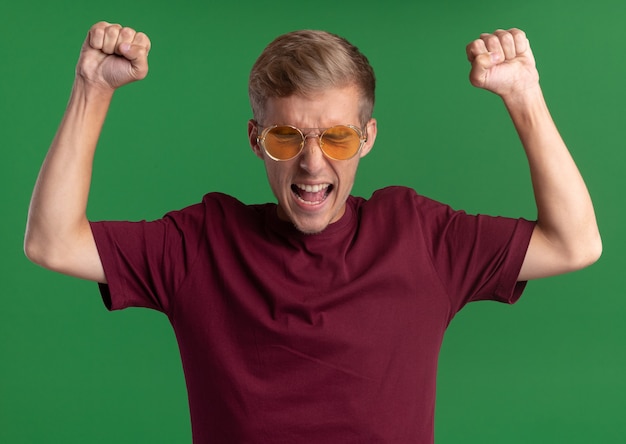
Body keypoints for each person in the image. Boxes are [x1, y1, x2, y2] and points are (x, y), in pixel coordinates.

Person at [25, 21, 601, 443]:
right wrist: (92, 90)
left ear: (367, 138)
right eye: (286, 137)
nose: (312, 164)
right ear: (256, 141)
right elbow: (52, 241)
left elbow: (575, 243)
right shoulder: (202, 243)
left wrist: (525, 97)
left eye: (337, 139)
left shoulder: (420, 236)